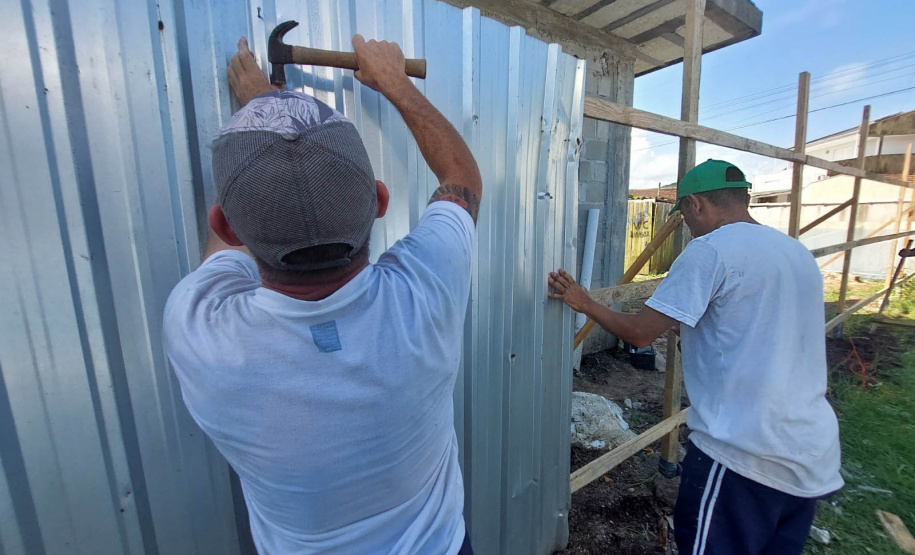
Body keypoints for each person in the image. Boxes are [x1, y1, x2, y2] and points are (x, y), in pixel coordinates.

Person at [163, 35, 481, 554]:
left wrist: (262, 121)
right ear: (380, 201)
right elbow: (462, 177)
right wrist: (395, 84)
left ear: (225, 224)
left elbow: (227, 247)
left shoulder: (197, 329)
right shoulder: (428, 289)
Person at [548, 159, 843, 555]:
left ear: (696, 204)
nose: (686, 224)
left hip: (743, 455)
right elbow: (760, 328)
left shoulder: (711, 250)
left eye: (684, 214)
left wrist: (584, 302)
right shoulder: (795, 252)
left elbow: (640, 333)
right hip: (809, 455)